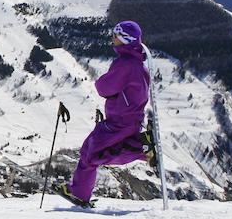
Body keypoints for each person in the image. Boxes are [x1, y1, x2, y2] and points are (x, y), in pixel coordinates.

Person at [55, 20, 156, 208]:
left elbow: (105, 87)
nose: (113, 40)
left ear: (124, 40)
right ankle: (142, 148)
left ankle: (142, 150)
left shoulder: (125, 64)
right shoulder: (138, 64)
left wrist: (99, 83)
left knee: (92, 153)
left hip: (119, 120)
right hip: (130, 119)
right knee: (92, 151)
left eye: (116, 37)